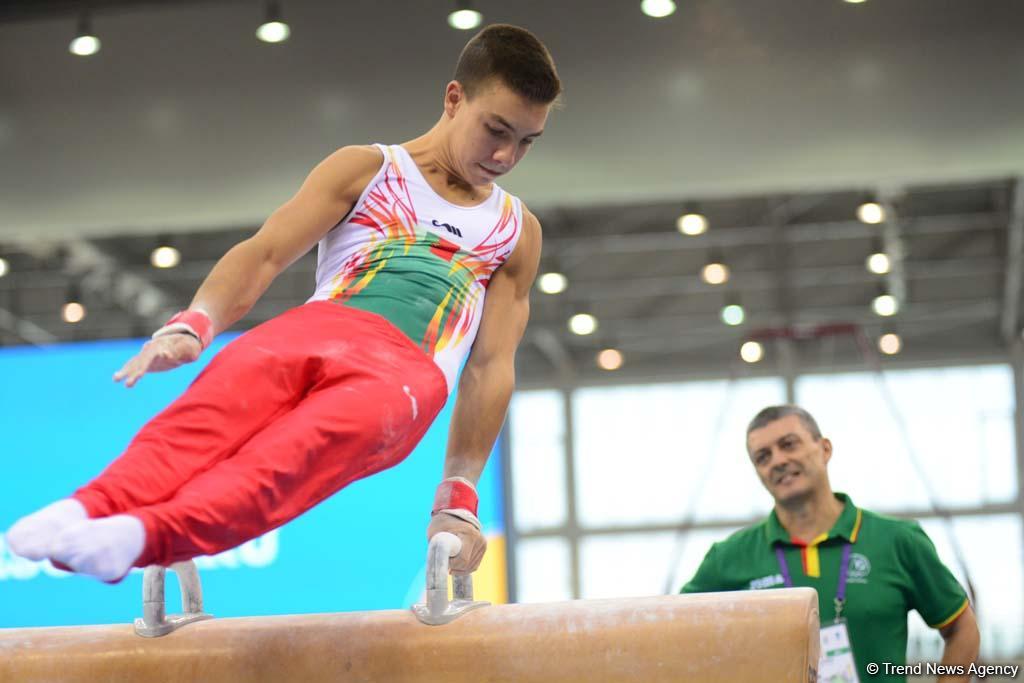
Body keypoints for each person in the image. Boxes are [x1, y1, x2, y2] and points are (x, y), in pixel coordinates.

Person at [5, 23, 559, 584]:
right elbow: (266, 252)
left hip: (404, 378)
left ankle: (143, 536)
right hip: (317, 327)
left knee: (286, 461)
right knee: (207, 415)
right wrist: (197, 321)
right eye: (496, 129)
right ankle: (84, 507)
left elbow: (489, 369)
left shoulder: (516, 230)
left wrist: (457, 495)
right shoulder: (368, 169)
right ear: (454, 98)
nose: (506, 154)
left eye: (526, 141)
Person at [680, 405, 980, 683]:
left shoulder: (898, 540)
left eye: (788, 444)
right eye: (763, 456)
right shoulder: (728, 558)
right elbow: (678, 639)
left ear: (824, 449)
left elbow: (962, 628)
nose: (778, 461)